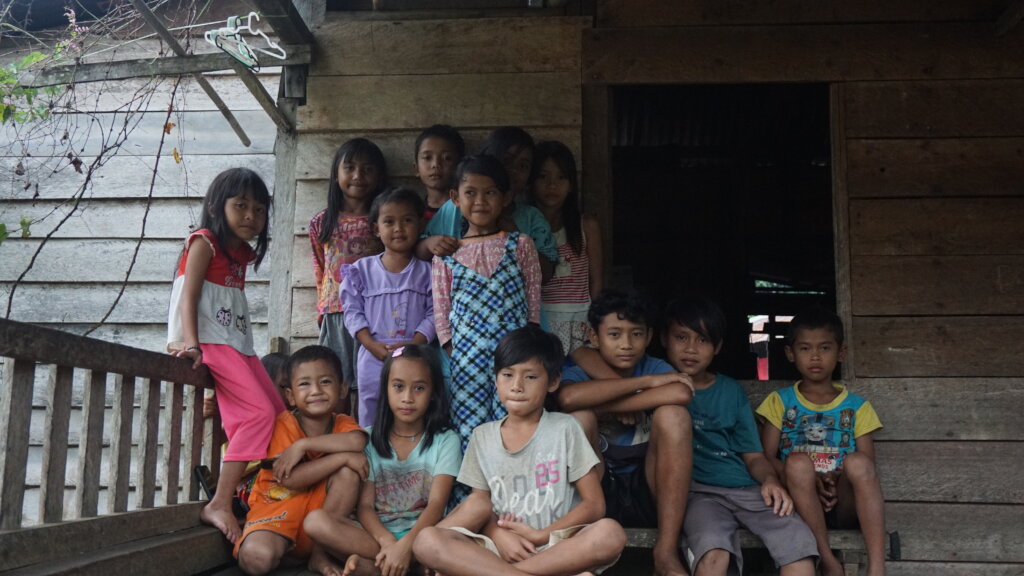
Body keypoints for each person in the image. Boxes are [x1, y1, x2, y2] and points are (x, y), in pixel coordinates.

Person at [412, 326, 626, 576]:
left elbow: (594, 504)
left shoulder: (566, 428)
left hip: (557, 549)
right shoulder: (482, 436)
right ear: (495, 380)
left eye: (531, 377)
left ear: (553, 381)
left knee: (610, 533)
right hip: (500, 550)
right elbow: (480, 507)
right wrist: (497, 534)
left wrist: (541, 535)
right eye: (507, 375)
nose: (517, 386)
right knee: (426, 541)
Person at [167, 167, 285, 543]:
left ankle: (257, 497)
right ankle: (219, 502)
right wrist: (191, 344)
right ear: (217, 207)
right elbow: (189, 296)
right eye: (241, 205)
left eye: (259, 209)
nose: (251, 215)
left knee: (280, 415)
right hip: (209, 341)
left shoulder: (239, 254)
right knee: (258, 414)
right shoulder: (204, 242)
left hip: (236, 343)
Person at [663, 295, 816, 576]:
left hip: (747, 490)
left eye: (703, 340)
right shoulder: (656, 385)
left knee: (797, 542)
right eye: (681, 337)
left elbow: (754, 456)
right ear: (664, 339)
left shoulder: (730, 391)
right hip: (698, 494)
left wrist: (770, 481)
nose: (691, 348)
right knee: (713, 552)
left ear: (718, 347)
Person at [557, 289, 694, 576]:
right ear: (594, 337)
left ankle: (666, 551)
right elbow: (569, 398)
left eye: (636, 334)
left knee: (674, 416)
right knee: (579, 418)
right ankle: (577, 544)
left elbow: (681, 392)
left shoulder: (654, 365)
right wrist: (645, 385)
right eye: (614, 334)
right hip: (598, 489)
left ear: (649, 336)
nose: (626, 344)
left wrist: (606, 403)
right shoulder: (586, 369)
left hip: (649, 487)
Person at [756, 307, 886, 576]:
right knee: (797, 463)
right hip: (798, 499)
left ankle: (877, 568)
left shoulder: (857, 407)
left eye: (825, 348)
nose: (815, 356)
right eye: (805, 348)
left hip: (844, 502)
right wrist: (810, 477)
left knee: (859, 463)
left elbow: (867, 464)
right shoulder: (780, 401)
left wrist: (835, 478)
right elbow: (766, 457)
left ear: (841, 353)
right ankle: (828, 561)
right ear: (790, 353)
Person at [313, 344, 461, 576]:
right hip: (376, 537)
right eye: (398, 387)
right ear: (386, 389)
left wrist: (406, 546)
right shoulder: (369, 439)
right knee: (316, 522)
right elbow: (365, 507)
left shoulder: (446, 440)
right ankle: (401, 565)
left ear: (433, 393)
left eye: (419, 388)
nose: (408, 398)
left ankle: (375, 568)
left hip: (422, 535)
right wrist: (389, 543)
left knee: (437, 541)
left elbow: (436, 504)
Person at [431, 155, 542, 453]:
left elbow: (533, 302)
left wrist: (527, 347)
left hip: (514, 359)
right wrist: (457, 353)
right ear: (455, 198)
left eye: (490, 192)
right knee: (470, 432)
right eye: (470, 192)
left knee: (515, 424)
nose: (480, 201)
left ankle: (515, 482)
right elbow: (441, 315)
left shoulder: (520, 245)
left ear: (505, 198)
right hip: (467, 363)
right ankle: (474, 483)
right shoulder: (446, 257)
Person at [234, 345, 369, 576]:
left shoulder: (342, 423)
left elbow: (357, 441)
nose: (316, 390)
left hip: (322, 521)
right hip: (278, 510)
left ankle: (319, 554)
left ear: (342, 389)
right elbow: (290, 479)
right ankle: (286, 553)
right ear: (291, 396)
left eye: (325, 381)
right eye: (305, 384)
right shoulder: (284, 424)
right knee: (256, 560)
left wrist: (304, 445)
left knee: (349, 471)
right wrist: (343, 457)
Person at [341, 187, 436, 427]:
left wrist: (414, 344)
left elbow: (435, 313)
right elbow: (352, 311)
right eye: (389, 222)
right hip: (374, 352)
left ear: (420, 225)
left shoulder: (428, 272)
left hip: (415, 354)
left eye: (407, 220)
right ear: (376, 228)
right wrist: (370, 343)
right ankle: (371, 449)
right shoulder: (361, 270)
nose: (398, 228)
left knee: (413, 406)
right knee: (371, 407)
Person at [310, 138, 388, 418]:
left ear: (379, 176)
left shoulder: (383, 221)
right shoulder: (322, 221)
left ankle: (368, 436)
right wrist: (322, 309)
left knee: (371, 383)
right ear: (336, 173)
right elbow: (320, 267)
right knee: (337, 382)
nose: (358, 176)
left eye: (368, 169)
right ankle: (337, 435)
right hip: (336, 313)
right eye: (350, 168)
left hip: (373, 314)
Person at [417, 127, 557, 284]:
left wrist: (517, 239)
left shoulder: (531, 218)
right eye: (506, 161)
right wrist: (429, 244)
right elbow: (419, 252)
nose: (513, 171)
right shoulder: (454, 210)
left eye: (523, 166)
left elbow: (546, 274)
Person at [529, 140, 604, 354]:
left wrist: (596, 323)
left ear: (571, 184)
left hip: (580, 321)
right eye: (543, 176)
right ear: (531, 181)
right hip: (540, 322)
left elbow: (596, 282)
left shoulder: (586, 225)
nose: (552, 185)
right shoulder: (524, 226)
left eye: (561, 177)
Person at [413, 124, 465, 222]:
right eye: (427, 158)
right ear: (416, 169)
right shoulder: (412, 214)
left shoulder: (467, 211)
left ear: (459, 165)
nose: (436, 164)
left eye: (447, 158)